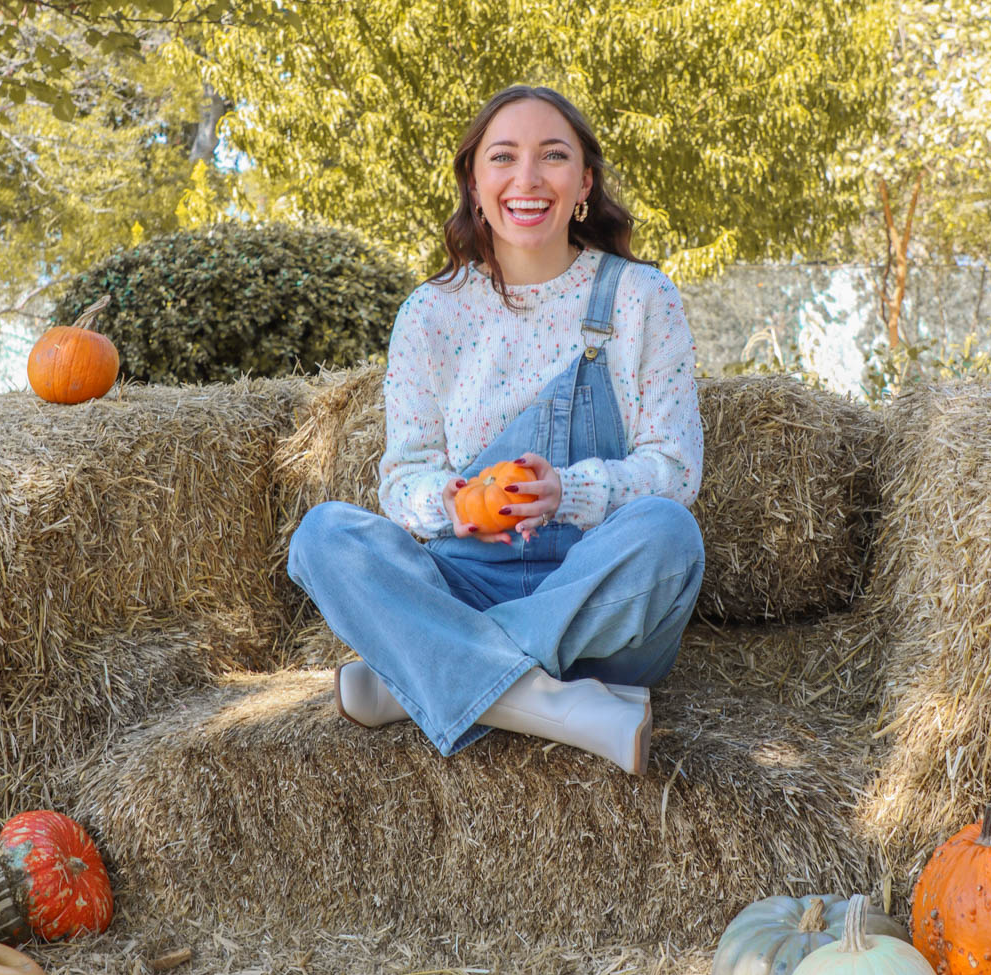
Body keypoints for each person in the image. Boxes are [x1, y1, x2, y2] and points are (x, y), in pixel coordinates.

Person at [287, 84, 705, 776]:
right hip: (462, 579)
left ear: (584, 185)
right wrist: (455, 502)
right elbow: (403, 477)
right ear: (476, 187)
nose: (528, 179)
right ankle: (549, 702)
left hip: (597, 593)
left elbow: (675, 470)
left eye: (553, 156)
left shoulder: (640, 297)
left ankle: (417, 674)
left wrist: (567, 492)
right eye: (504, 157)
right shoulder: (431, 313)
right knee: (324, 537)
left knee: (670, 535)